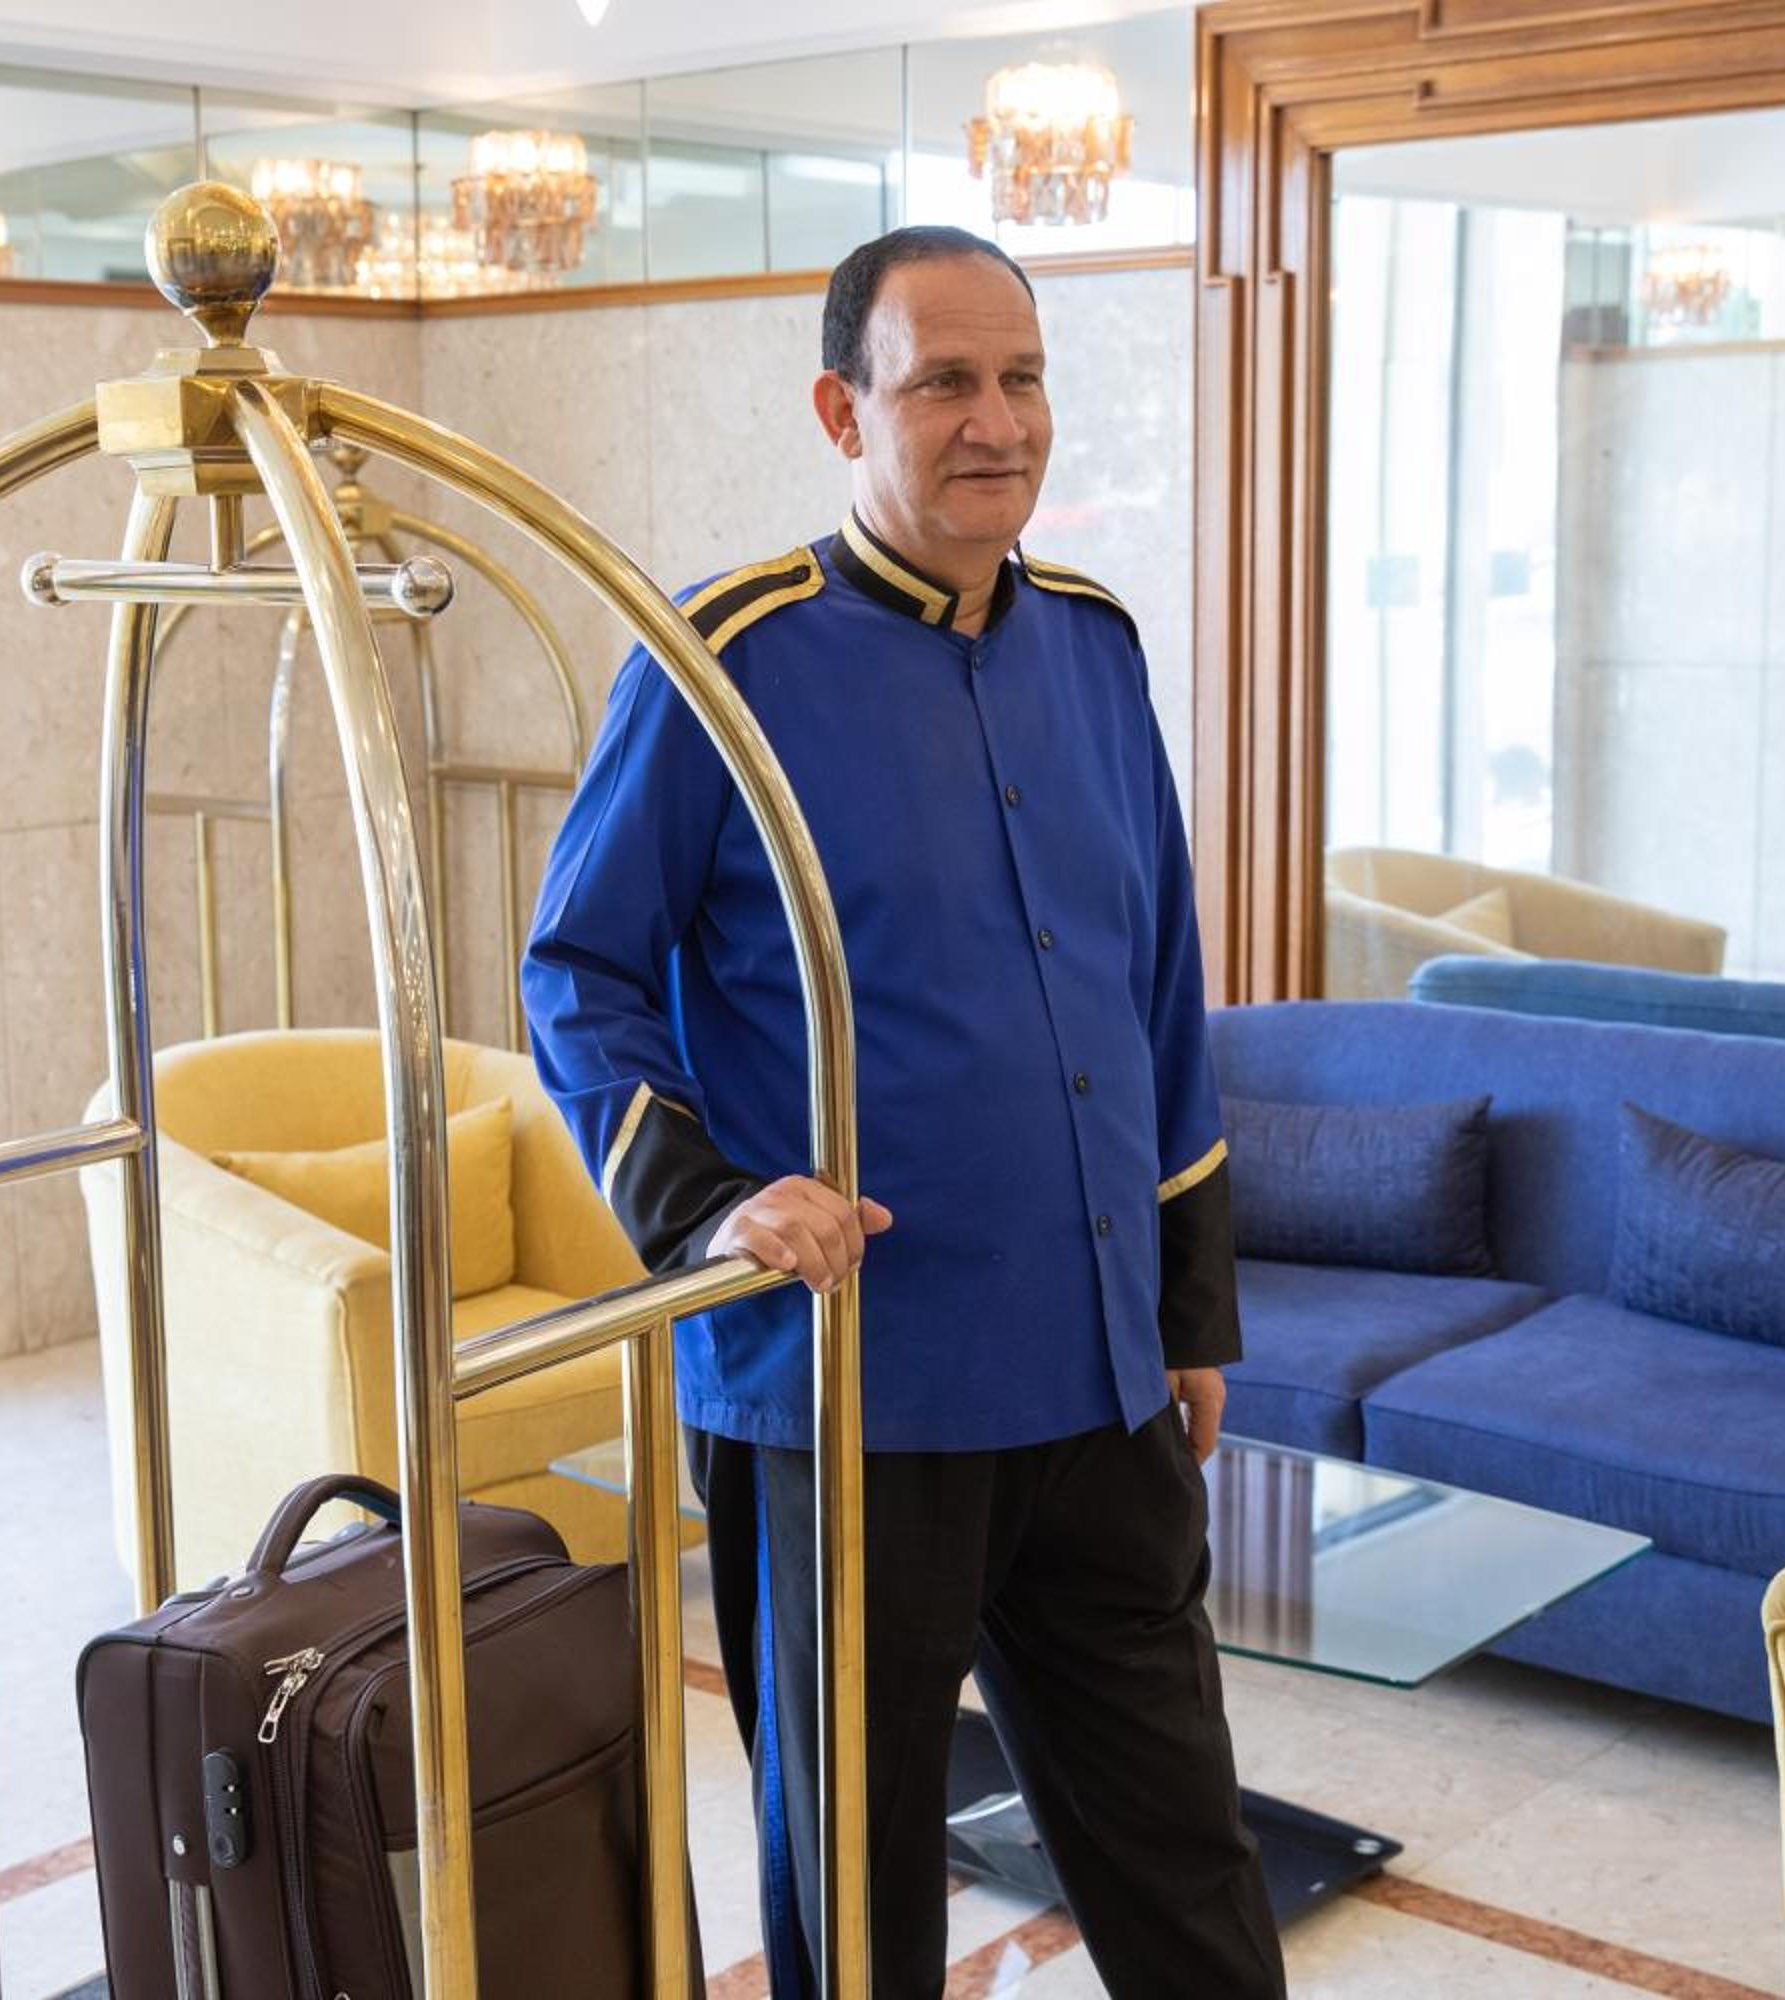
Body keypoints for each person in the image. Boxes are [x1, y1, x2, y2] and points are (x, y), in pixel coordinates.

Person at [522, 224, 1281, 1998]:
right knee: (858, 1890)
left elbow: (1159, 986)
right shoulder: (720, 664)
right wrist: (708, 1200)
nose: (996, 422)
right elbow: (578, 972)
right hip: (851, 1390)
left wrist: (1185, 1308)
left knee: (1183, 1855)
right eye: (943, 381)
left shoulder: (1096, 647)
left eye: (1021, 379)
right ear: (842, 410)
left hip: (1096, 1381)